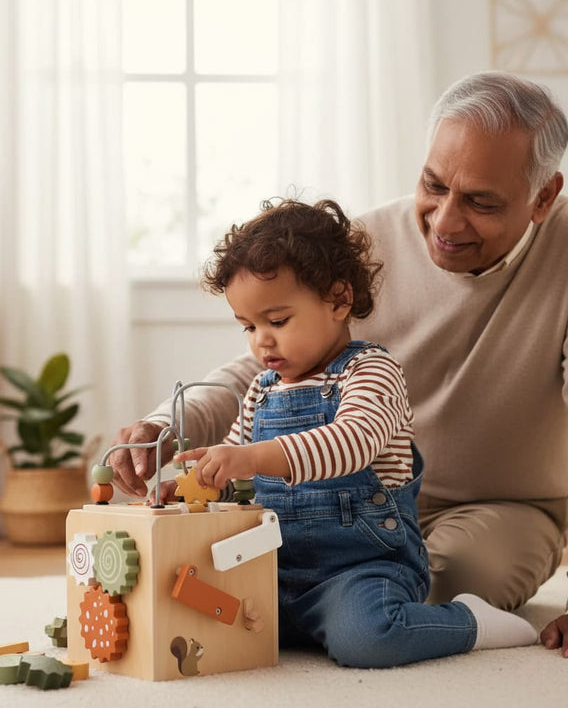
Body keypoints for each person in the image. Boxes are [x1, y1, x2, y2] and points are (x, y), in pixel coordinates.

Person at [109, 71, 568, 654]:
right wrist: (166, 430)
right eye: (433, 185)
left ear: (543, 198)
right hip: (335, 499)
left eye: (480, 202)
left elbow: (351, 432)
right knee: (239, 572)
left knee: (433, 585)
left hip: (502, 505)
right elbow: (260, 375)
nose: (446, 222)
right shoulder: (363, 244)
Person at [178, 196, 537, 667]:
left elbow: (351, 442)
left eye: (278, 320)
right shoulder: (261, 390)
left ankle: (468, 621)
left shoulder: (371, 371)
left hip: (361, 568)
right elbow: (233, 459)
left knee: (367, 640)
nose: (261, 340)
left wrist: (253, 457)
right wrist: (198, 480)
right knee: (208, 617)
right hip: (274, 567)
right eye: (247, 326)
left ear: (338, 299)